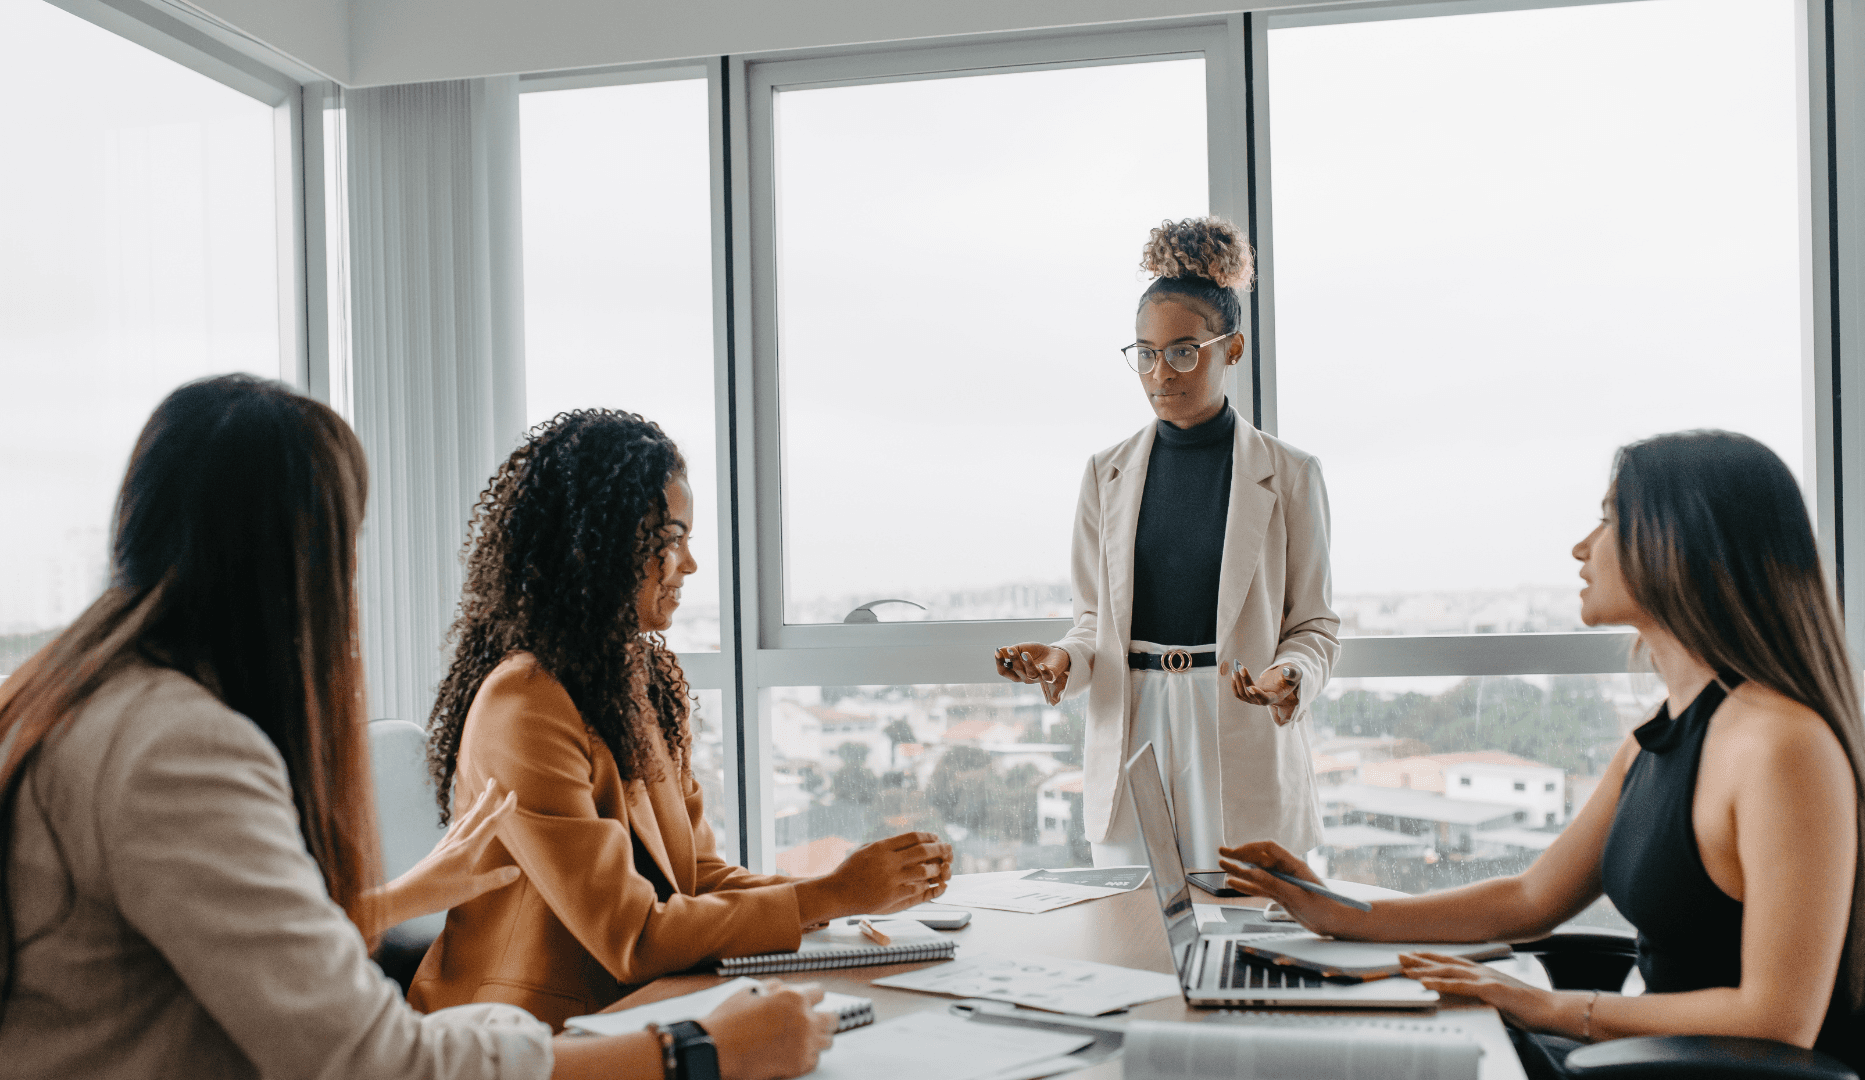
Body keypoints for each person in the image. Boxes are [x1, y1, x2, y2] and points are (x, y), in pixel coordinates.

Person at [0, 375, 834, 1080]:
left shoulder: (72, 695)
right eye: (346, 545)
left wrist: (402, 899)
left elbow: (209, 939)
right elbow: (375, 1064)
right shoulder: (178, 750)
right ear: (299, 557)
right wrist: (692, 1049)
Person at [1218, 431, 1865, 1078]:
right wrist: (1336, 911)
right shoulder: (1662, 733)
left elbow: (1779, 1020)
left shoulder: (1781, 747)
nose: (1581, 547)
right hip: (1628, 1060)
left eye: (1608, 521)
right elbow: (1532, 897)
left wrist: (1544, 1006)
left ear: (1681, 543)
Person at [412, 409, 953, 1031]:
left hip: (631, 1007)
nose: (690, 565)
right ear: (599, 545)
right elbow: (633, 935)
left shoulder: (638, 682)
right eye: (671, 540)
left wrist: (837, 889)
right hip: (522, 1033)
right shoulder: (525, 702)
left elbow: (694, 876)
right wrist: (833, 895)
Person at [995, 216, 1339, 869]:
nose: (1161, 373)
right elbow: (1095, 620)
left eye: (1183, 350)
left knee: (1245, 928)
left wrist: (1289, 676)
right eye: (1146, 353)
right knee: (1134, 934)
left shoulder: (1292, 475)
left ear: (1231, 349)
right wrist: (1062, 659)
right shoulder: (1106, 472)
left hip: (1238, 724)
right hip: (1132, 725)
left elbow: (1315, 624)